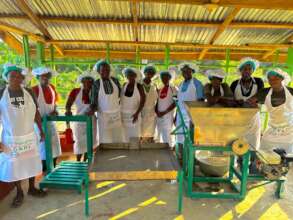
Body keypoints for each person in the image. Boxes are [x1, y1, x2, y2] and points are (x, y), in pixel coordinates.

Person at [0, 64, 46, 208]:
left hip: (28, 135)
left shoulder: (29, 92)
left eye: (19, 76)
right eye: (12, 75)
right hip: (10, 137)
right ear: (6, 77)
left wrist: (41, 129)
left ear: (22, 78)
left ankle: (32, 188)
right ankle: (19, 192)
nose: (15, 78)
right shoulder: (1, 93)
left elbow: (36, 113)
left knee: (30, 162)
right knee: (14, 165)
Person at [249, 68, 293, 154]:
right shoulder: (264, 92)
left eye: (276, 78)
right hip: (272, 131)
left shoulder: (291, 91)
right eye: (270, 79)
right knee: (264, 156)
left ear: (282, 79)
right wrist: (253, 105)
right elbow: (250, 101)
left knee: (287, 160)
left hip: (290, 132)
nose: (273, 81)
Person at [32, 67, 61, 171]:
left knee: (55, 146)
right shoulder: (34, 89)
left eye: (47, 76)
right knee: (43, 149)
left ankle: (53, 168)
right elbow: (33, 110)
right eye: (43, 77)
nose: (45, 79)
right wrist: (40, 130)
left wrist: (55, 110)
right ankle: (45, 171)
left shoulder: (52, 88)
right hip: (39, 123)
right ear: (38, 77)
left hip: (51, 122)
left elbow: (55, 103)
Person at [65, 71, 98, 161]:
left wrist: (93, 110)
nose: (87, 83)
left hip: (91, 121)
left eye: (90, 82)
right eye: (85, 81)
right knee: (79, 143)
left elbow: (98, 105)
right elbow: (68, 104)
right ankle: (78, 161)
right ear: (82, 82)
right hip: (79, 121)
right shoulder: (75, 91)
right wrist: (68, 110)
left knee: (89, 142)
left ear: (92, 83)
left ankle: (86, 161)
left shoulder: (95, 92)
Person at [89, 60, 123, 143]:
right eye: (103, 70)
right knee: (105, 140)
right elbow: (94, 101)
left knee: (117, 138)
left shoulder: (115, 81)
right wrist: (92, 110)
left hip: (116, 115)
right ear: (98, 72)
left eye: (107, 70)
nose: (105, 72)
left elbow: (120, 96)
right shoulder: (96, 84)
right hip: (104, 116)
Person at [176, 62, 204, 146]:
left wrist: (195, 118)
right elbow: (179, 100)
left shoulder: (197, 84)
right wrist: (176, 116)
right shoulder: (181, 84)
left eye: (188, 71)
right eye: (184, 71)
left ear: (192, 72)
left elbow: (200, 101)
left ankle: (190, 157)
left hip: (191, 115)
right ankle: (180, 155)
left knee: (191, 138)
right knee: (180, 135)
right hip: (180, 114)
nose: (186, 73)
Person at [121, 67, 146, 142]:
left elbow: (143, 101)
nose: (129, 76)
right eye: (128, 75)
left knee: (134, 136)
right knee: (124, 136)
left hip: (135, 115)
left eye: (132, 75)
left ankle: (134, 153)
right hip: (124, 115)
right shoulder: (124, 85)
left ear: (135, 76)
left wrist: (137, 113)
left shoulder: (139, 86)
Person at [156, 70, 177, 148]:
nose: (164, 79)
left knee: (167, 134)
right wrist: (156, 111)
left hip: (168, 116)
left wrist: (165, 112)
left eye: (165, 78)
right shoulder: (160, 89)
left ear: (169, 78)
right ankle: (161, 150)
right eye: (162, 78)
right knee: (159, 133)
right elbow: (158, 101)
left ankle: (168, 150)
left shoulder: (173, 89)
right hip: (159, 115)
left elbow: (175, 103)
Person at [140, 64, 158, 143]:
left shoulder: (154, 85)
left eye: (152, 73)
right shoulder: (139, 84)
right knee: (140, 131)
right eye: (148, 72)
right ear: (144, 73)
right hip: (141, 110)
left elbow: (156, 99)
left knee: (150, 132)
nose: (150, 74)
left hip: (151, 111)